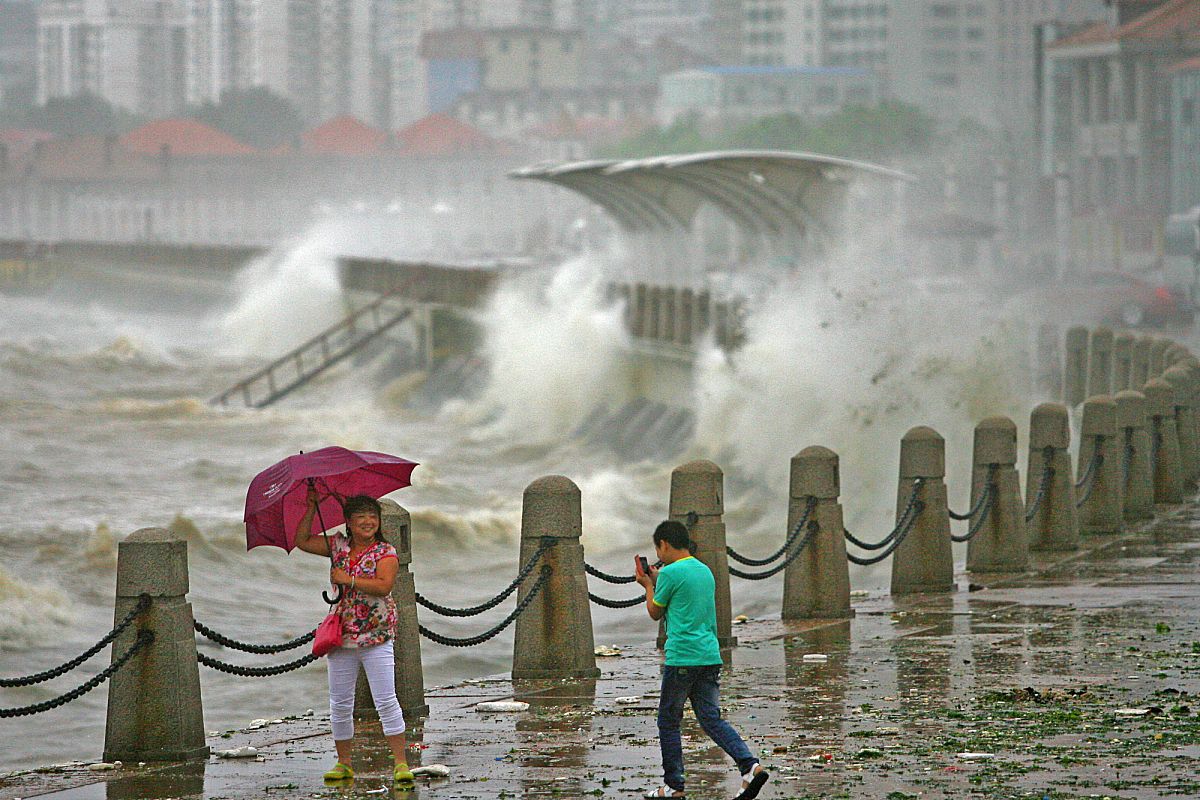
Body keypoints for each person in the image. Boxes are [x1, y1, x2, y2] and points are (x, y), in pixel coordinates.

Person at [634, 520, 769, 800]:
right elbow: (684, 596)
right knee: (710, 718)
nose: (658, 555)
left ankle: (674, 786)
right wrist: (659, 581)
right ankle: (749, 766)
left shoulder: (669, 573)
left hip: (682, 657)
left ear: (664, 544)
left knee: (668, 721)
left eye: (658, 549)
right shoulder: (704, 570)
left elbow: (655, 612)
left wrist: (647, 585)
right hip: (709, 655)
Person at [296, 486, 414, 784]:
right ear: (348, 521)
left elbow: (384, 585)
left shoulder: (385, 552)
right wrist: (310, 507)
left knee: (386, 700)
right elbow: (302, 541)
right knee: (340, 702)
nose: (367, 521)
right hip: (342, 636)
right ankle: (344, 763)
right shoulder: (338, 546)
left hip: (376, 635)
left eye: (372, 516)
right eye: (360, 516)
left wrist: (347, 579)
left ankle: (401, 764)